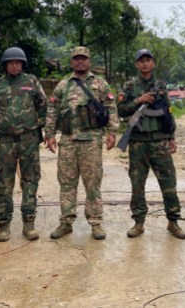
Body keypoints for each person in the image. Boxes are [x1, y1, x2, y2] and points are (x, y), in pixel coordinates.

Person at [45, 46, 119, 240]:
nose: (80, 62)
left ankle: (95, 223)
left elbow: (111, 107)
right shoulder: (63, 85)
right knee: (67, 183)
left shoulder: (100, 84)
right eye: (76, 59)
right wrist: (50, 134)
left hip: (91, 141)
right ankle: (66, 222)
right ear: (72, 62)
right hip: (68, 141)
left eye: (83, 58)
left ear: (89, 61)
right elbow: (52, 109)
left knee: (92, 183)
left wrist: (112, 132)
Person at [117, 49, 185, 239]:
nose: (145, 64)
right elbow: (120, 110)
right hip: (138, 143)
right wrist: (138, 100)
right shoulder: (130, 86)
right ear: (136, 64)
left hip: (159, 141)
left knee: (169, 183)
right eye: (141, 61)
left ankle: (173, 222)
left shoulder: (161, 86)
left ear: (153, 63)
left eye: (148, 60)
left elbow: (168, 113)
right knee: (137, 184)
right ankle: (138, 223)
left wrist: (171, 137)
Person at [0, 46, 47, 242]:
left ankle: (29, 223)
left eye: (18, 62)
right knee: (4, 182)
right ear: (5, 65)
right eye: (11, 62)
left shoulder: (32, 82)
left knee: (30, 181)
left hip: (29, 140)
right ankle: (3, 225)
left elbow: (43, 105)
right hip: (6, 141)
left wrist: (40, 127)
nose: (14, 65)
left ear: (22, 64)